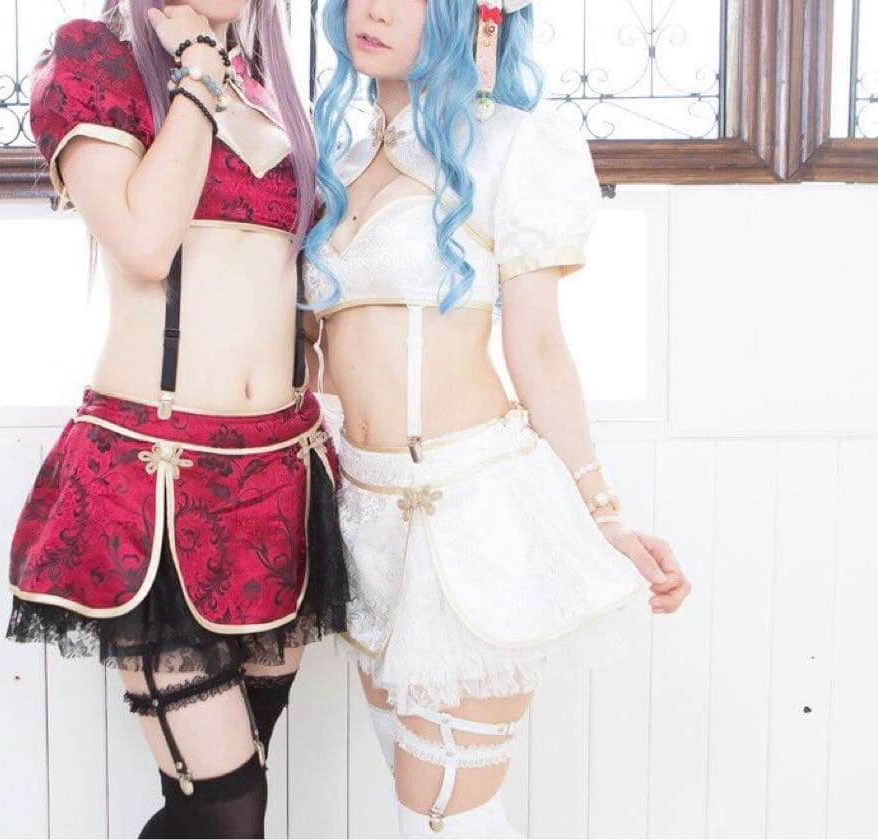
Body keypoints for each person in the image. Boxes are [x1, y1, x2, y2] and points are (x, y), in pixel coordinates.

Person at [302, 0, 691, 834]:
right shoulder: (336, 160)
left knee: (443, 819)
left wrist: (603, 513)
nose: (371, 10)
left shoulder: (511, 145)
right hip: (366, 520)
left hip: (473, 516)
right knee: (426, 812)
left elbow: (539, 348)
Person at [7, 1, 348, 836]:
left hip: (276, 475)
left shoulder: (267, 86)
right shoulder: (95, 58)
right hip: (156, 475)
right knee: (230, 811)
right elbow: (145, 243)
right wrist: (194, 68)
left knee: (218, 800)